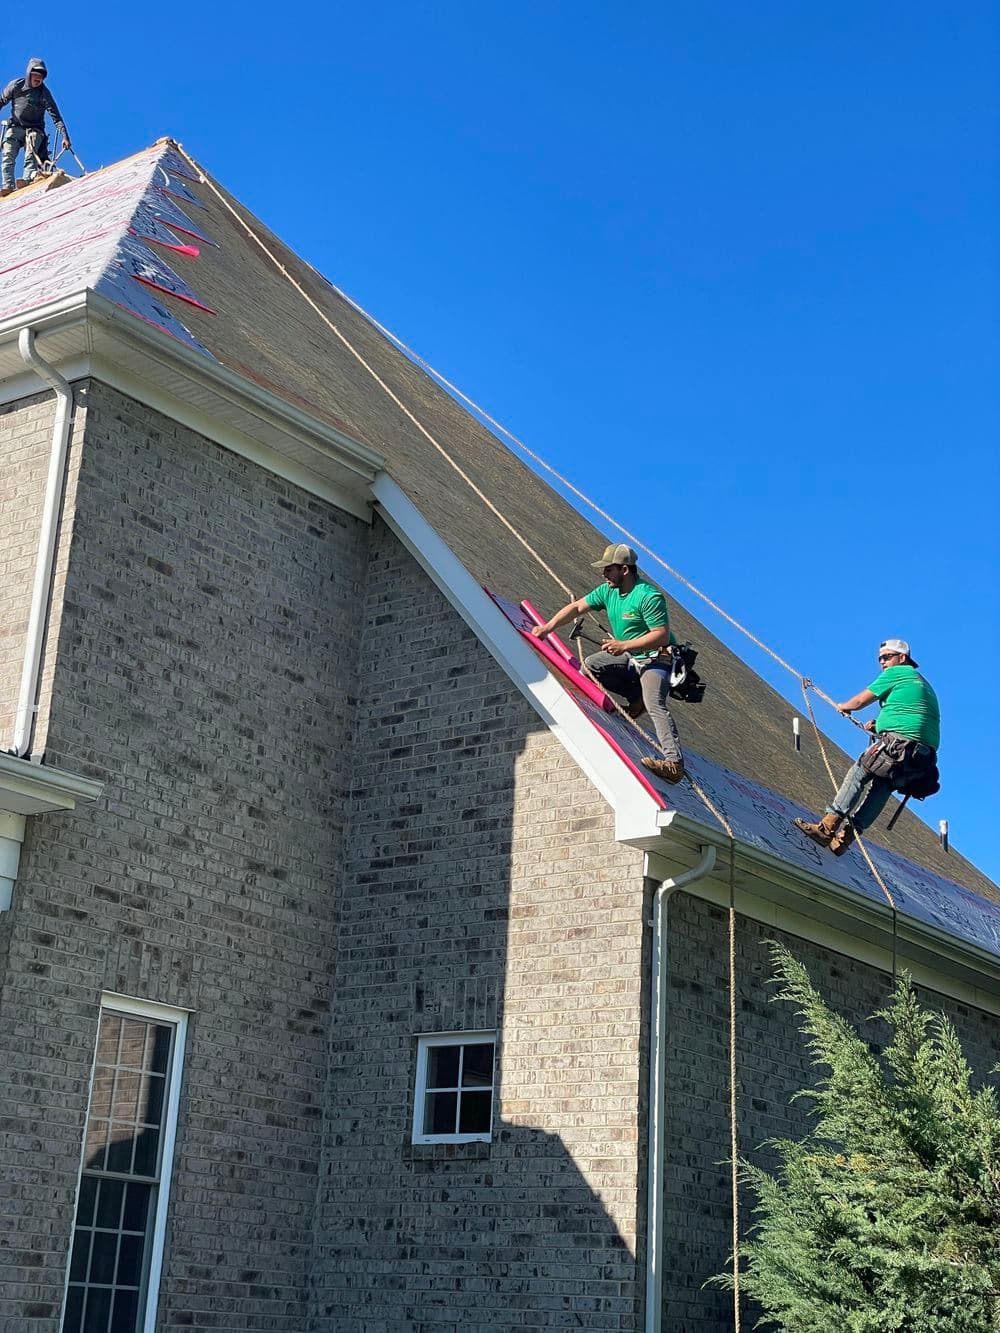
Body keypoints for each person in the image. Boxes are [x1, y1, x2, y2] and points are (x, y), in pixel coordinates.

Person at [531, 542, 686, 783]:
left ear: (625, 570)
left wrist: (623, 645)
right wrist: (547, 627)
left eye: (609, 569)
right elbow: (577, 607)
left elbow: (661, 635)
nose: (604, 574)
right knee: (591, 666)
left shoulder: (648, 596)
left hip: (658, 658)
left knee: (654, 701)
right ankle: (635, 697)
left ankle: (673, 763)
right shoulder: (608, 591)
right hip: (631, 656)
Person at [794, 638, 940, 856]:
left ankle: (827, 828)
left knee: (859, 774)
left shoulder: (897, 673)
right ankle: (844, 840)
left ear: (902, 658)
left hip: (898, 744)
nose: (882, 662)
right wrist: (879, 725)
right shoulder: (922, 684)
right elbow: (913, 716)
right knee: (883, 787)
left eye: (887, 657)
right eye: (880, 658)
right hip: (921, 757)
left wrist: (845, 707)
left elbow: (861, 701)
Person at [0, 58, 71, 197]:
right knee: (8, 153)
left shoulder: (44, 94)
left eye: (41, 77)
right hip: (15, 126)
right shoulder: (16, 86)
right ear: (29, 74)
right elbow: (1, 101)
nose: (38, 79)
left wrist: (65, 137)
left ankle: (26, 180)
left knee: (30, 155)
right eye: (35, 75)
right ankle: (7, 185)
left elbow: (56, 117)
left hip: (34, 130)